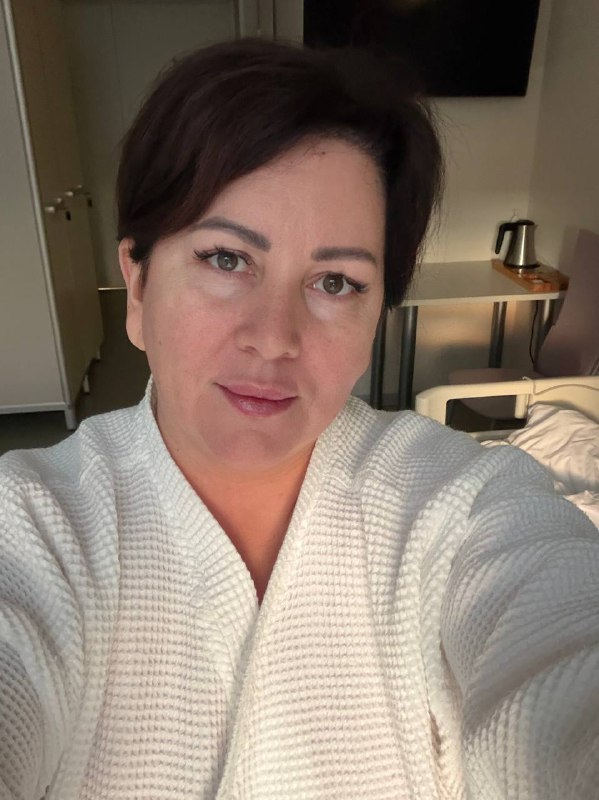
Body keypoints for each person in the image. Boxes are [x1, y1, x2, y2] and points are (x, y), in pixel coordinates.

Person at [0, 38, 598, 800]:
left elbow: (560, 659)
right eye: (226, 259)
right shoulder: (35, 522)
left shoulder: (466, 504)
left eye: (335, 281)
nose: (274, 337)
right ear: (139, 287)